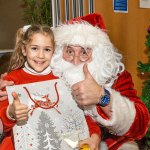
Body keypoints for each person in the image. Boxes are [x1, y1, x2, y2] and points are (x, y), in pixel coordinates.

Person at [50, 13, 150, 149]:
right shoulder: (52, 71)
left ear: (99, 54)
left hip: (109, 142)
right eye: (69, 51)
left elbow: (141, 124)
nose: (75, 60)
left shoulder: (114, 76)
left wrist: (102, 97)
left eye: (84, 52)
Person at [0, 24, 101, 150]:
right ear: (24, 50)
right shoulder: (10, 81)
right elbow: (2, 122)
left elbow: (81, 116)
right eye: (34, 48)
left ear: (54, 51)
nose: (41, 55)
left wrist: (94, 135)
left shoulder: (63, 78)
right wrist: (10, 112)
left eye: (47, 49)